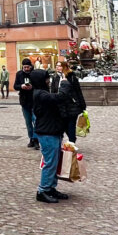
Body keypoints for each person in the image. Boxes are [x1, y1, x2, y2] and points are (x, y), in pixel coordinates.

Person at [33, 73, 71, 203]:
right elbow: (60, 97)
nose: (49, 81)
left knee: (54, 162)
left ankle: (50, 188)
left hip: (52, 130)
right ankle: (42, 190)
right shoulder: (40, 94)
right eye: (47, 79)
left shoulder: (41, 92)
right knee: (50, 163)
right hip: (47, 132)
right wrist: (64, 83)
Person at [55, 60, 87, 143]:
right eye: (57, 66)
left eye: (59, 65)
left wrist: (82, 105)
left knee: (71, 125)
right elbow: (53, 91)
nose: (57, 67)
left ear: (64, 67)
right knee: (63, 125)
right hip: (60, 105)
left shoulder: (71, 76)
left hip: (72, 104)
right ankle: (67, 141)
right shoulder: (56, 77)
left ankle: (72, 142)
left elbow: (78, 90)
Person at [14, 59, 38, 148]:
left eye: (28, 67)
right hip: (24, 101)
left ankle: (36, 139)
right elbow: (15, 86)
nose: (27, 69)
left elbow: (39, 86)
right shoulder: (19, 74)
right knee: (28, 122)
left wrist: (32, 87)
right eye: (25, 67)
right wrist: (21, 86)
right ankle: (31, 138)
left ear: (31, 66)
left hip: (34, 101)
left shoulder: (35, 74)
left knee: (35, 120)